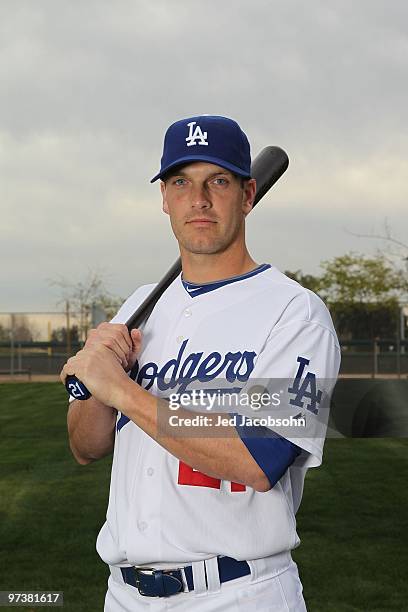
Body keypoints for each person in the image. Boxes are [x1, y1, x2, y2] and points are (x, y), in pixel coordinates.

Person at [62, 115, 341, 611]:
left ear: (248, 194)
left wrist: (123, 391)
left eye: (218, 181)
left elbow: (260, 457)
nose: (200, 200)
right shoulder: (140, 306)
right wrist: (96, 382)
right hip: (125, 595)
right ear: (165, 200)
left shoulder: (295, 313)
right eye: (181, 183)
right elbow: (85, 447)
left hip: (239, 592)